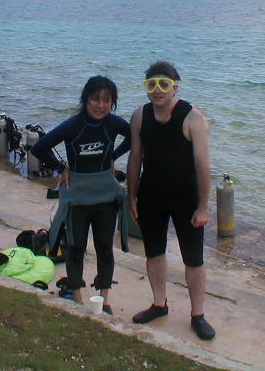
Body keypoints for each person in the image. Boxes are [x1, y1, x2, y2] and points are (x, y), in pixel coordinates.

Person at [127, 61, 215, 340]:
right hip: (151, 195)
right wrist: (132, 196)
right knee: (153, 252)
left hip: (186, 199)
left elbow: (203, 166)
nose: (157, 90)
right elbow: (135, 158)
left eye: (164, 84)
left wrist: (203, 207)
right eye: (151, 84)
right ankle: (158, 304)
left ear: (175, 87)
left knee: (194, 258)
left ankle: (198, 315)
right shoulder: (140, 116)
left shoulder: (193, 117)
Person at [30, 76, 131, 314]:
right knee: (76, 249)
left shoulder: (114, 124)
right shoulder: (73, 125)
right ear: (85, 99)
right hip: (78, 197)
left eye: (107, 100)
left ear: (113, 103)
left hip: (105, 197)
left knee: (105, 249)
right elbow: (39, 147)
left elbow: (135, 138)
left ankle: (104, 299)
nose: (100, 105)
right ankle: (77, 299)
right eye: (95, 99)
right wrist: (60, 168)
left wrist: (113, 156)